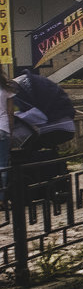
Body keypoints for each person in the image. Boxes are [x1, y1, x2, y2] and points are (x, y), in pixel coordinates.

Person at [0, 69, 13, 203]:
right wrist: (12, 131)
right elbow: (10, 113)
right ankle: (1, 198)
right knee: (3, 165)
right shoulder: (6, 88)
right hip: (3, 129)